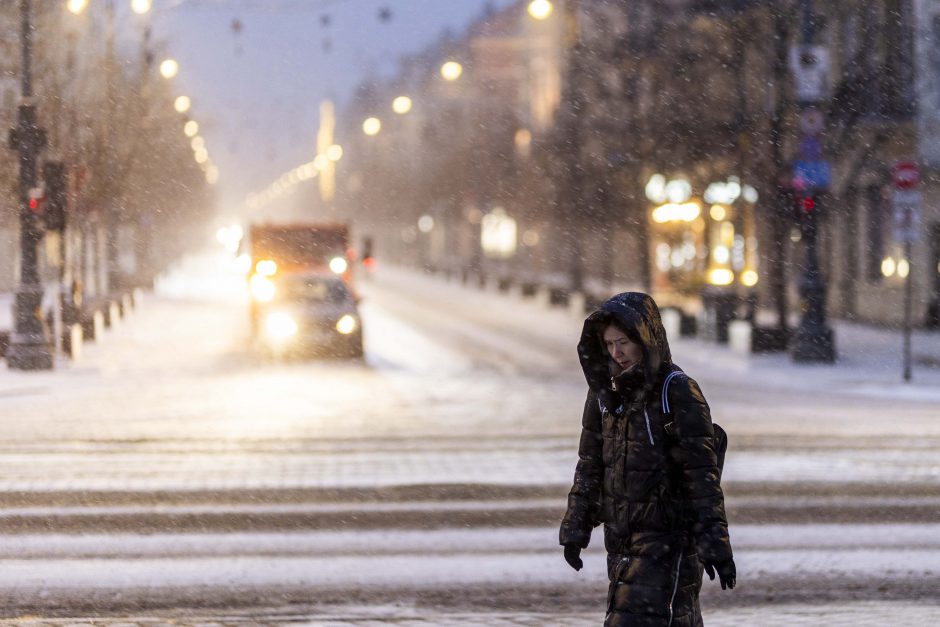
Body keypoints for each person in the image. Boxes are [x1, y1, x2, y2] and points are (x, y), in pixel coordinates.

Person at [559, 292, 735, 626]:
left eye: (623, 342)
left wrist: (716, 543)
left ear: (645, 338)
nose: (616, 353)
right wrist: (575, 526)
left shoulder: (677, 391)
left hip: (667, 543)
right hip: (621, 539)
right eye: (609, 344)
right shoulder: (604, 394)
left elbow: (701, 476)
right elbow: (590, 464)